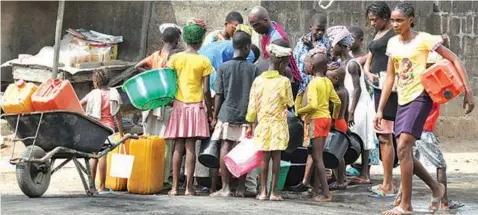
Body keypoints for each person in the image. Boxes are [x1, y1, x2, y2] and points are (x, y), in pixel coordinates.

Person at [377, 3, 474, 214]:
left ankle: (406, 206)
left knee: (402, 148)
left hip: (421, 97)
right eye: (393, 20)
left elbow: (454, 59)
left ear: (411, 20)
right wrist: (380, 108)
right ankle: (436, 187)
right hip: (402, 99)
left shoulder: (424, 40)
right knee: (405, 153)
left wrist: (468, 92)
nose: (395, 24)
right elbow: (390, 77)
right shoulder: (392, 43)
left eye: (400, 20)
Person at [394, 34, 464, 211]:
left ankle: (401, 197)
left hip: (414, 126)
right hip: (424, 130)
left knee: (407, 158)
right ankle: (443, 201)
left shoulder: (423, 74)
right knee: (439, 164)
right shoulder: (433, 76)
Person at [164, 18, 214, 196]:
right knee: (191, 147)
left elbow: (169, 83)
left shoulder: (175, 58)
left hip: (178, 105)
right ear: (201, 41)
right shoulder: (204, 62)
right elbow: (207, 90)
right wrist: (211, 110)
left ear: (185, 39)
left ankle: (174, 187)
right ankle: (188, 188)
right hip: (195, 106)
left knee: (178, 146)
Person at [209, 31, 261, 198]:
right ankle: (240, 187)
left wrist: (215, 115)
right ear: (247, 47)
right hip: (246, 115)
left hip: (227, 113)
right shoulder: (254, 69)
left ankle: (225, 187)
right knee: (243, 151)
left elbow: (219, 94)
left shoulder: (223, 68)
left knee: (226, 146)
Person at [245, 39, 294, 201]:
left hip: (263, 124)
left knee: (264, 158)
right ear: (282, 61)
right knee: (276, 157)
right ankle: (274, 192)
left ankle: (263, 192)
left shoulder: (258, 81)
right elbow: (289, 103)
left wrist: (250, 125)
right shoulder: (285, 81)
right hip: (279, 125)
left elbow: (252, 106)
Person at [136, 26, 182, 188]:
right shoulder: (174, 59)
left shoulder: (155, 56)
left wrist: (151, 76)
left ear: (162, 40)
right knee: (166, 144)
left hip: (151, 103)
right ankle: (163, 179)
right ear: (177, 41)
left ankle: (148, 173)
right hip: (166, 104)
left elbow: (137, 67)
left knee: (149, 138)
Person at [362, 1, 398, 197]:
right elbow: (368, 61)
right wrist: (367, 73)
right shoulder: (378, 35)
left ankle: (388, 184)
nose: (372, 24)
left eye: (375, 20)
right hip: (377, 88)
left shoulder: (394, 35)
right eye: (371, 20)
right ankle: (388, 181)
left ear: (385, 17)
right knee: (383, 136)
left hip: (389, 91)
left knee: (385, 136)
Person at [296, 47, 341, 202]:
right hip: (326, 119)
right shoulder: (328, 81)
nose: (305, 67)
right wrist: (334, 117)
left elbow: (313, 105)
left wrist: (300, 111)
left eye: (306, 64)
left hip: (316, 120)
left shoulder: (314, 83)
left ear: (312, 67)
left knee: (317, 158)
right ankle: (316, 190)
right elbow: (337, 101)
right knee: (318, 156)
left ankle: (326, 193)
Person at [80, 69, 123, 194]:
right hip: (107, 129)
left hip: (94, 128)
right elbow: (118, 116)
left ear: (95, 82)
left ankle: (92, 186)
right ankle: (102, 187)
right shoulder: (113, 94)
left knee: (94, 156)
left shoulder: (92, 94)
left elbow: (79, 104)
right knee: (103, 155)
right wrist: (121, 133)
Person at [248, 6, 301, 98]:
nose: (254, 29)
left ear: (265, 20)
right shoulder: (269, 28)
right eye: (252, 26)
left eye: (256, 25)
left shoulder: (276, 38)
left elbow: (280, 64)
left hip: (283, 79)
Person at [326, 66, 349, 190]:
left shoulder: (337, 93)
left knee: (337, 154)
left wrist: (332, 122)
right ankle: (341, 177)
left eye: (328, 78)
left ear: (336, 78)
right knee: (339, 153)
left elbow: (335, 108)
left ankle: (340, 180)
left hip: (336, 123)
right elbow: (346, 111)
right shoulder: (344, 91)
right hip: (342, 122)